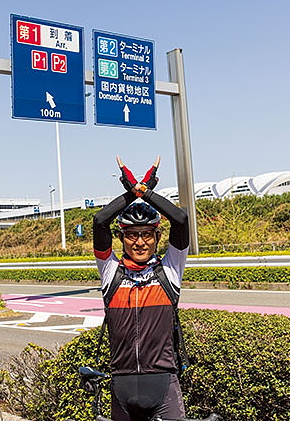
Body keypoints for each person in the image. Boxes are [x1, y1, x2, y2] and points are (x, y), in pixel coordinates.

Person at [92, 156, 190, 421]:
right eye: (132, 234)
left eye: (147, 234)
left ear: (157, 237)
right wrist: (131, 192)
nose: (139, 242)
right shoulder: (111, 271)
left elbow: (181, 220)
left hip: (164, 384)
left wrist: (145, 192)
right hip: (121, 384)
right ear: (122, 238)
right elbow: (100, 221)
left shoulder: (169, 270)